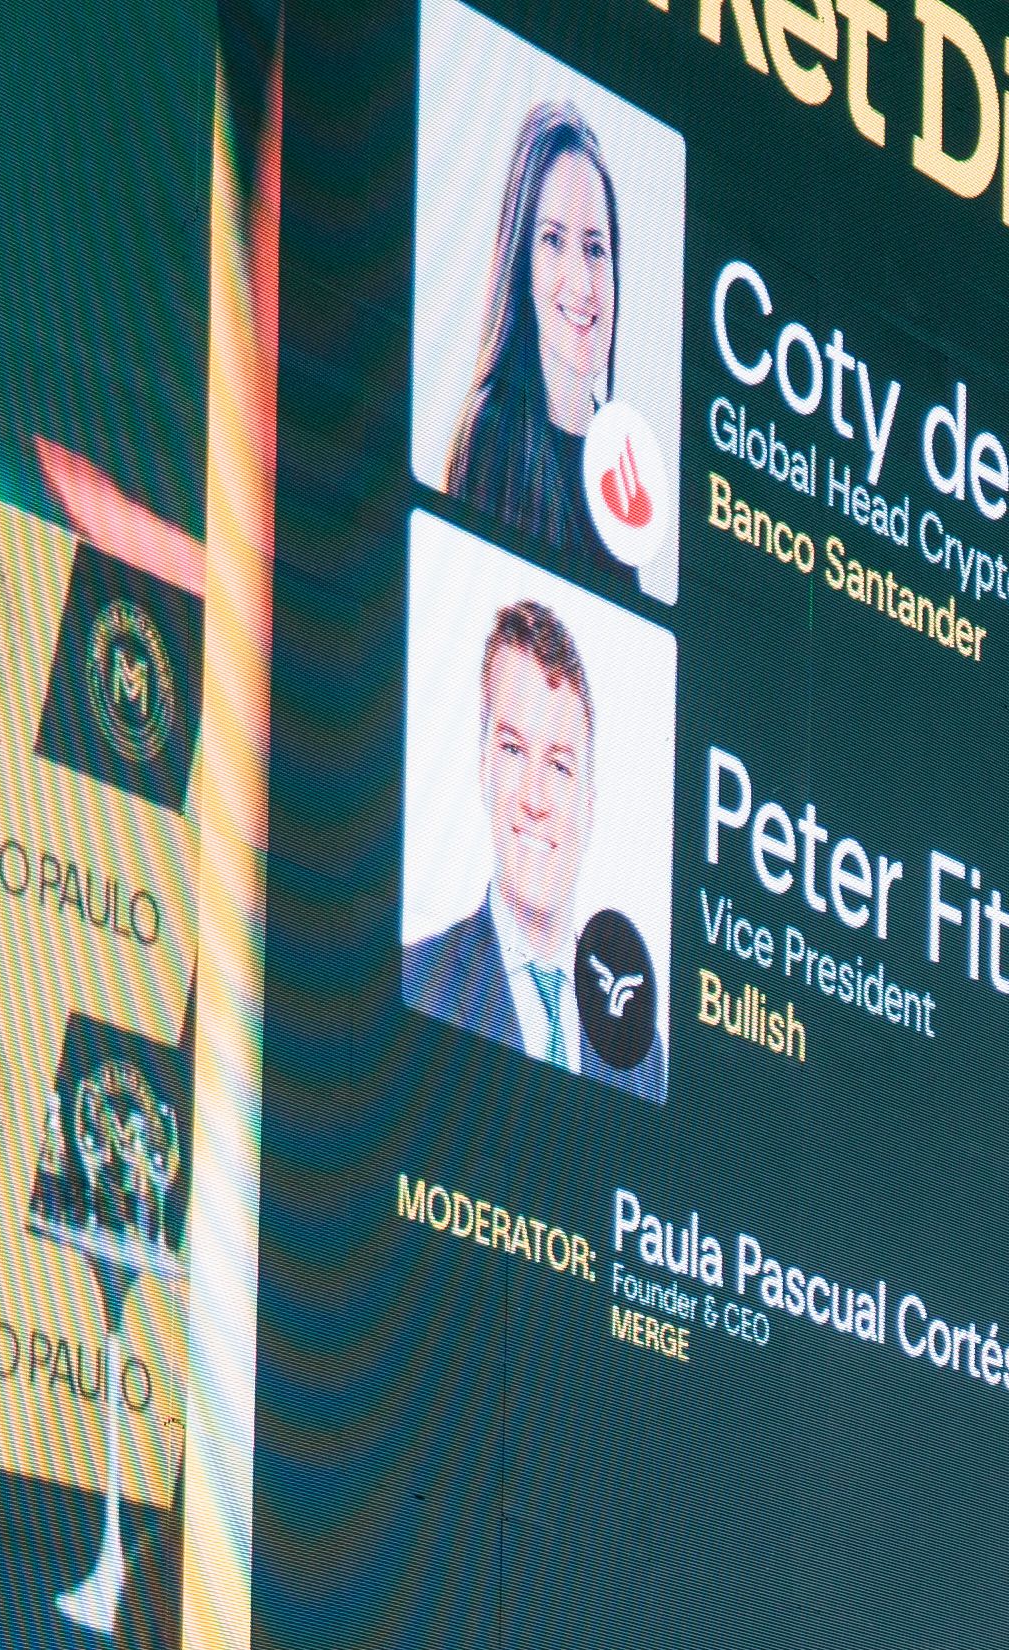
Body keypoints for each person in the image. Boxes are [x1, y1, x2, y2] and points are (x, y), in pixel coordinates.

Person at [400, 597, 664, 1096]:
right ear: (483, 768)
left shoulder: (641, 1052)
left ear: (590, 804)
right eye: (514, 750)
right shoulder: (414, 981)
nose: (535, 798)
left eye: (560, 765)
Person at [441, 96, 627, 572]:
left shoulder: (619, 466)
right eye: (553, 240)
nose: (582, 283)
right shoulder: (492, 434)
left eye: (595, 248)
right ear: (521, 258)